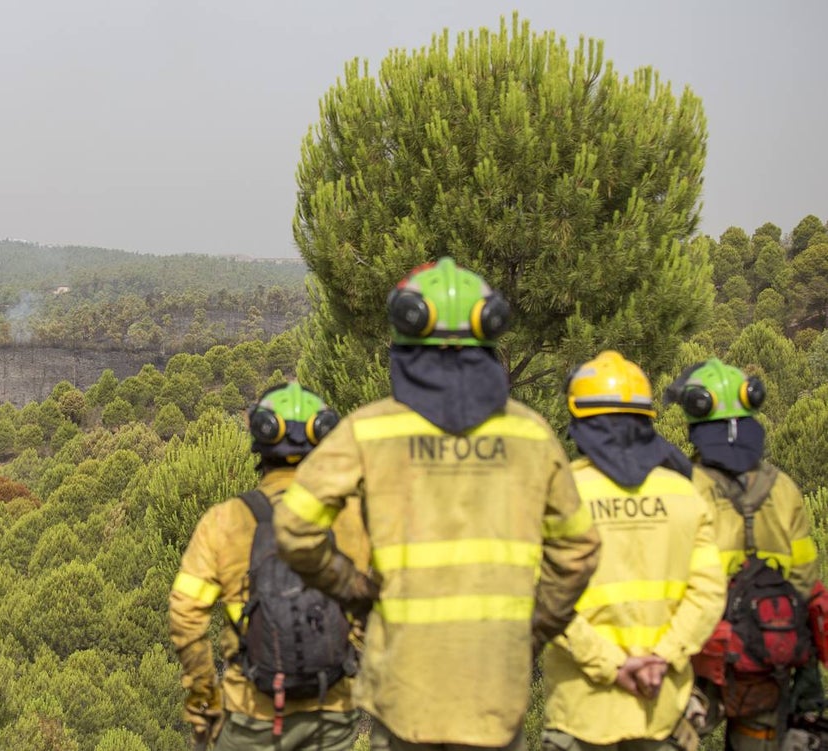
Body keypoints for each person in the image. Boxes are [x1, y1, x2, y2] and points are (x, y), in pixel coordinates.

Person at [273, 257, 602, 749]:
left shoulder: (370, 429)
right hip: (496, 690)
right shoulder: (530, 434)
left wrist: (356, 591)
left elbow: (294, 528)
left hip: (403, 688)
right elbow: (578, 550)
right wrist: (532, 630)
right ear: (487, 336)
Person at [169, 382, 370, 750]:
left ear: (260, 442)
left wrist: (203, 693)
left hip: (251, 714)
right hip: (332, 715)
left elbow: (185, 613)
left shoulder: (225, 520)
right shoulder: (354, 517)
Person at [542, 350, 726, 751]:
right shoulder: (684, 492)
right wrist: (661, 659)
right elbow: (710, 592)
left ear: (579, 419)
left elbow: (542, 598)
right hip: (663, 708)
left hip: (583, 711)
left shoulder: (558, 493)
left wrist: (613, 665)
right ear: (647, 420)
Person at [665, 359, 823, 751]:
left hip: (701, 661)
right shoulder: (783, 488)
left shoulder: (684, 486)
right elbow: (806, 581)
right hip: (766, 661)